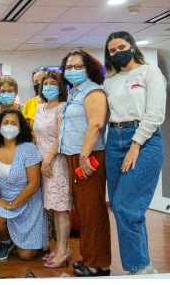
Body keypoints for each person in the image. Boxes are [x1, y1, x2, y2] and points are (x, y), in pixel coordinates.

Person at [104, 31, 167, 275]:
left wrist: (135, 144)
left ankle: (140, 268)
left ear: (132, 46)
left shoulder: (150, 72)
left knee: (124, 205)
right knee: (124, 208)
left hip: (144, 140)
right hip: (114, 141)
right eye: (112, 50)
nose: (117, 52)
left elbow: (155, 113)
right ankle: (140, 268)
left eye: (121, 46)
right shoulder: (109, 81)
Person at [58, 49, 111, 277]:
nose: (72, 71)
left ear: (89, 69)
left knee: (93, 210)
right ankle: (89, 257)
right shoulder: (75, 93)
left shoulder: (94, 92)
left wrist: (83, 156)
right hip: (74, 155)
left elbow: (96, 124)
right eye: (68, 67)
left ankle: (99, 264)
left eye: (78, 67)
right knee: (83, 210)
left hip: (88, 156)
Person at [0, 109, 48, 261]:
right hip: (3, 198)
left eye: (14, 123)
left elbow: (34, 184)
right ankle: (6, 241)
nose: (9, 126)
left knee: (26, 256)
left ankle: (25, 241)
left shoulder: (28, 148)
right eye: (5, 123)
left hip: (28, 201)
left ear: (20, 128)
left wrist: (12, 204)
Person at [33, 70, 72, 268]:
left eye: (53, 83)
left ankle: (64, 250)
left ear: (60, 87)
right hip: (42, 163)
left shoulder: (63, 107)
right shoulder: (40, 107)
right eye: (45, 83)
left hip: (57, 162)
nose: (48, 86)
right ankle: (58, 247)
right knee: (53, 208)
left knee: (62, 208)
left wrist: (48, 160)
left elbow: (60, 136)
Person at [23, 67, 50, 143]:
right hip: (35, 146)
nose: (39, 84)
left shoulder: (61, 102)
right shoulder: (29, 103)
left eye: (42, 80)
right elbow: (26, 131)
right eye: (35, 82)